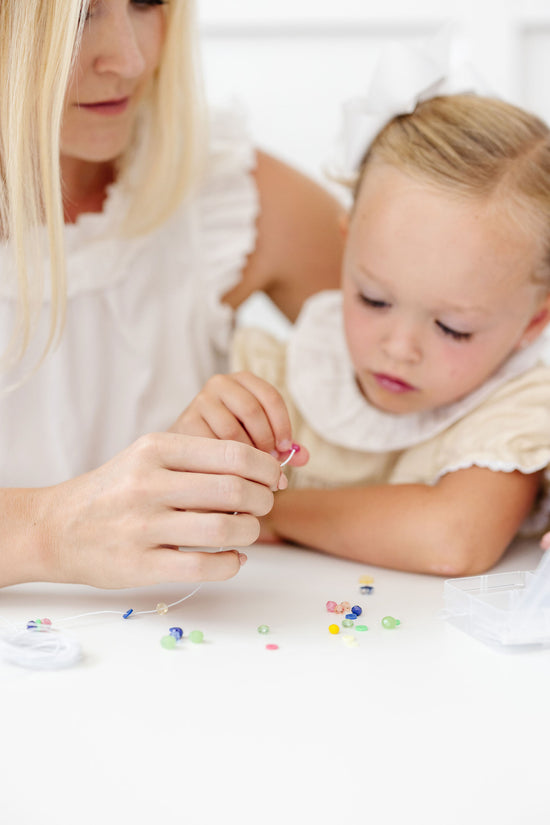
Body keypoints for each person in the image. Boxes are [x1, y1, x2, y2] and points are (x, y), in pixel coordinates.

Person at [0, 0, 343, 588]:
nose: (130, 60)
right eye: (78, 16)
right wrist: (51, 529)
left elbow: (480, 345)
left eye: (148, 3)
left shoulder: (225, 197)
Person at [175, 91, 550, 577]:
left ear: (534, 323)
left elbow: (453, 539)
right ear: (346, 244)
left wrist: (270, 512)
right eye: (374, 299)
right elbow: (176, 501)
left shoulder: (516, 405)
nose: (399, 348)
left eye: (453, 328)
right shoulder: (286, 371)